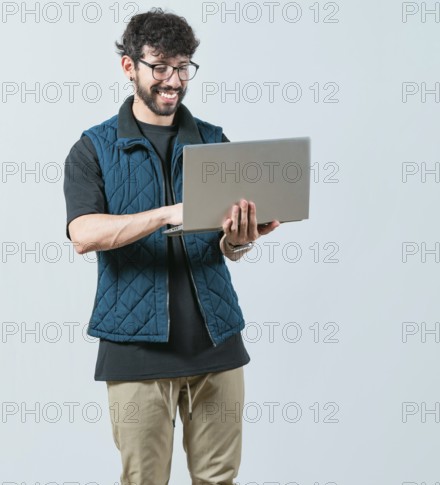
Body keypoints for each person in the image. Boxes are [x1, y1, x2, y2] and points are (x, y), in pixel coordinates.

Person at [63, 8, 279, 484]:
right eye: (160, 67)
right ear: (129, 67)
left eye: (182, 67)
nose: (173, 80)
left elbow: (225, 244)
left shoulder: (213, 142)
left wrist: (239, 241)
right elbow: (83, 234)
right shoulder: (94, 148)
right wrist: (166, 213)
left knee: (219, 480)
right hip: (136, 350)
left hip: (217, 345)